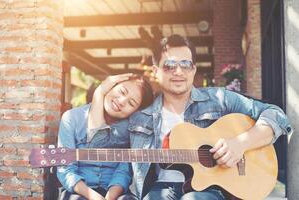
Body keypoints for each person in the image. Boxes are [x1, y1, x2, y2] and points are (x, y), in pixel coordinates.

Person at [88, 34, 293, 200]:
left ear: (193, 70)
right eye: (169, 65)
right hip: (159, 191)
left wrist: (240, 144)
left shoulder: (220, 99)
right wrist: (99, 95)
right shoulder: (140, 118)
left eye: (185, 64)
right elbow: (97, 146)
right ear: (156, 71)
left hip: (211, 191)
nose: (178, 71)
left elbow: (277, 116)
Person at [57, 74, 153, 200]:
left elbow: (123, 172)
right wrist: (93, 197)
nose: (122, 101)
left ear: (134, 112)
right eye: (122, 91)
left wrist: (109, 197)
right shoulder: (72, 118)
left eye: (131, 103)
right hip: (79, 191)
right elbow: (66, 170)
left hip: (114, 192)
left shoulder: (132, 129)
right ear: (111, 85)